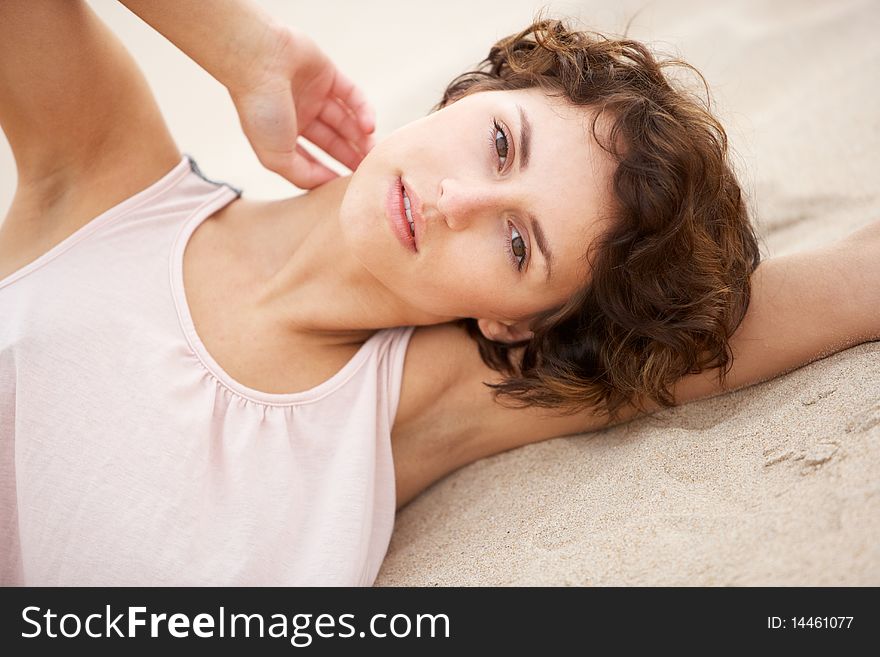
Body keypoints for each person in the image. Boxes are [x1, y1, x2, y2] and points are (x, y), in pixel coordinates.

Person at [0, 0, 876, 586]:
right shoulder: (106, 181)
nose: (459, 203)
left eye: (517, 242)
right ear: (470, 92)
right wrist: (246, 50)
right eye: (500, 143)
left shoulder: (423, 402)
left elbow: (833, 289)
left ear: (516, 320)